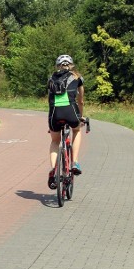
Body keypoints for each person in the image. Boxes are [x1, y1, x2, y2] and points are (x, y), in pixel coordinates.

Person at [47, 54, 85, 189]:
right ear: (72, 65)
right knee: (77, 130)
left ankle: (53, 170)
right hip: (71, 112)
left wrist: (51, 125)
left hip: (54, 114)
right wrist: (81, 116)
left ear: (58, 66)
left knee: (55, 140)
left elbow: (50, 100)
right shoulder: (77, 77)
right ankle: (74, 161)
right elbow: (80, 101)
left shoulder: (51, 78)